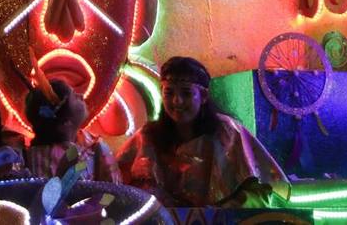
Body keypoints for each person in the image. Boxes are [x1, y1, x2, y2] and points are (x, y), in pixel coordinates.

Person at [117, 56, 288, 208]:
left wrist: (221, 210)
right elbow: (118, 185)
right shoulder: (148, 135)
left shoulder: (226, 131)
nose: (177, 101)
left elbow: (259, 191)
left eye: (186, 93)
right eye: (169, 93)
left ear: (204, 96)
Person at [23, 78, 119, 184]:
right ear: (65, 122)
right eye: (75, 97)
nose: (82, 96)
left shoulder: (95, 148)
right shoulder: (24, 159)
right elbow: (114, 194)